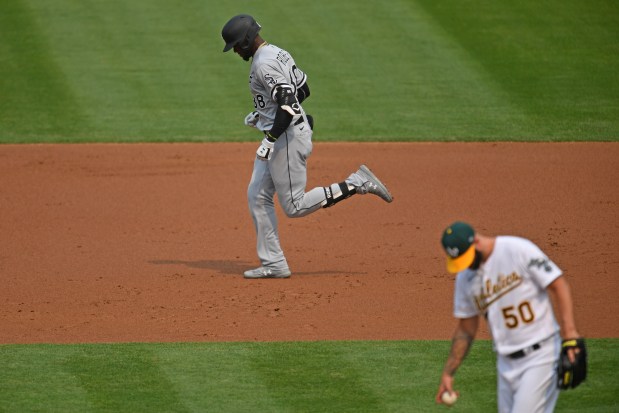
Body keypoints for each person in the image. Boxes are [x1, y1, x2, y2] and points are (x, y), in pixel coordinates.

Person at [221, 14, 393, 279]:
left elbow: (289, 104)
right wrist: (263, 113)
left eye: (235, 45)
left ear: (245, 41)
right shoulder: (277, 53)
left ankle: (356, 182)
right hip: (287, 131)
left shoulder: (263, 65)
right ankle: (274, 263)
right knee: (257, 195)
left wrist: (269, 139)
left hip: (286, 138)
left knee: (295, 206)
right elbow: (303, 90)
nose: (234, 51)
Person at [435, 221, 583, 412]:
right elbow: (466, 328)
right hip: (505, 363)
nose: (467, 266)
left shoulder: (517, 249)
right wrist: (448, 373)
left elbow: (558, 284)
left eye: (468, 259)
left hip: (541, 355)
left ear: (477, 242)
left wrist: (570, 335)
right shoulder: (466, 277)